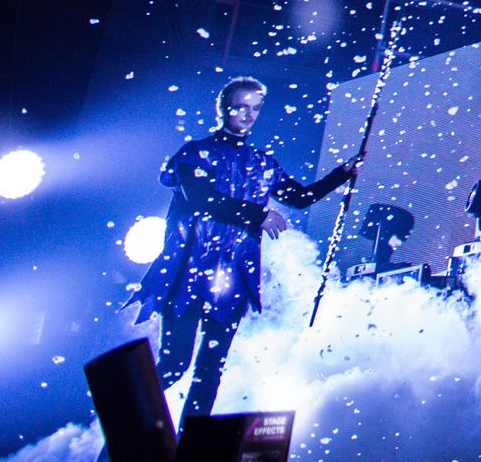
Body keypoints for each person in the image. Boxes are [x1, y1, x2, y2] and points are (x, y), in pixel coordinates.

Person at [132, 77, 359, 419]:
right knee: (175, 364)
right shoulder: (197, 153)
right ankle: (126, 422)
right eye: (241, 107)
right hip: (189, 274)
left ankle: (191, 449)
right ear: (224, 108)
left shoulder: (261, 161)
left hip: (232, 278)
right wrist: (256, 213)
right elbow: (202, 199)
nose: (248, 115)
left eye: (255, 109)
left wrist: (341, 174)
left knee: (210, 371)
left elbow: (299, 197)